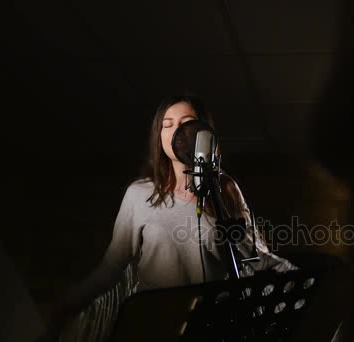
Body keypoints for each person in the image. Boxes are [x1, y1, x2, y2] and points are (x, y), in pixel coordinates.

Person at [44, 94, 296, 341]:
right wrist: (68, 304)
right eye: (167, 125)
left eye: (186, 122)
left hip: (213, 325)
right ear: (159, 136)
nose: (177, 131)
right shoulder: (138, 194)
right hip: (154, 324)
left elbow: (256, 255)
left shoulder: (225, 188)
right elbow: (113, 266)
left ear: (203, 133)